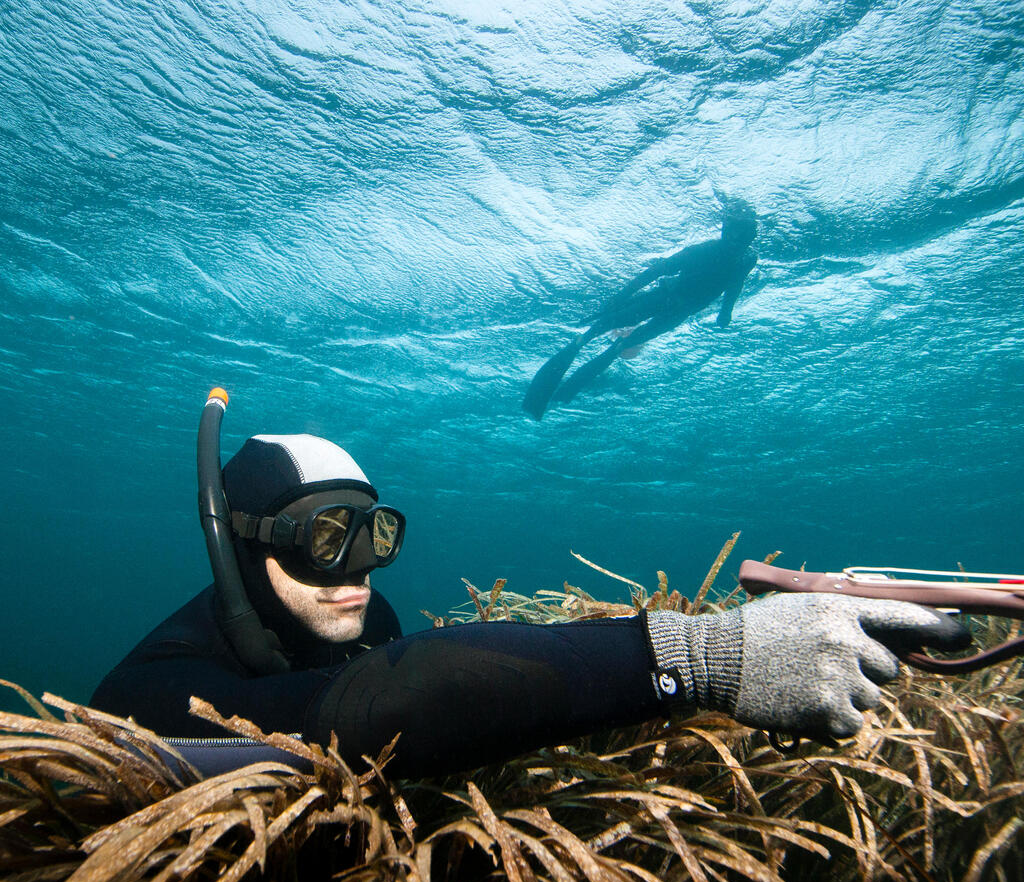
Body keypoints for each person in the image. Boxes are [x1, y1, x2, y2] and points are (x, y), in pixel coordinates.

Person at [92, 395, 969, 779]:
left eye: (373, 536)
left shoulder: (360, 614)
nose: (357, 572)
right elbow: (389, 701)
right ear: (249, 549)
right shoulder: (147, 692)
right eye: (327, 540)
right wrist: (708, 654)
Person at [522, 201, 759, 420]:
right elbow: (657, 270)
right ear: (725, 230)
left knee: (621, 346)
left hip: (677, 312)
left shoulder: (747, 260)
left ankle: (564, 392)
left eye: (744, 235)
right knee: (598, 330)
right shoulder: (703, 251)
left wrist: (726, 311)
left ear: (751, 237)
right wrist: (621, 297)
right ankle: (578, 345)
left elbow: (735, 284)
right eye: (733, 232)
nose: (736, 240)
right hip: (662, 299)